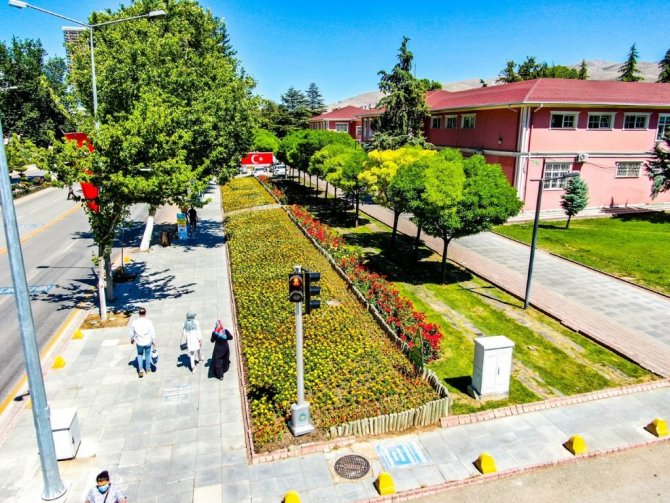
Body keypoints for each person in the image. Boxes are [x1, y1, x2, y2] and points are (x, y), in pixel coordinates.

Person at [130, 307, 155, 378]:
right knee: (147, 355)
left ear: (139, 313)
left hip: (139, 342)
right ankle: (148, 369)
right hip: (147, 341)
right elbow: (152, 332)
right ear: (145, 313)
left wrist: (132, 339)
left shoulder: (135, 322)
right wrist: (153, 341)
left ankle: (140, 370)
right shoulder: (149, 322)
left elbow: (132, 332)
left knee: (140, 355)